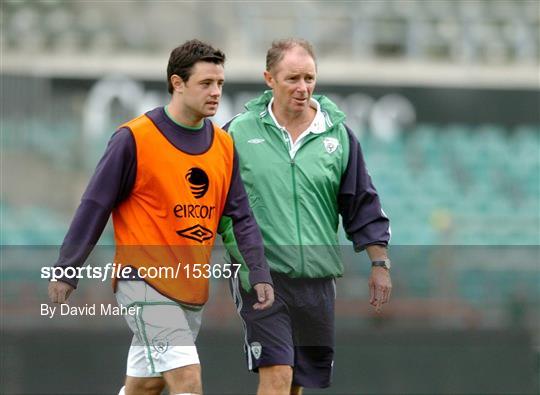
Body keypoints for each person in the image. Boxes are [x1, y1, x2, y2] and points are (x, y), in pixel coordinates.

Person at [47, 39, 274, 395]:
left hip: (189, 287)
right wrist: (67, 268)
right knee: (187, 379)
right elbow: (94, 205)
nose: (216, 92)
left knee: (145, 386)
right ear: (177, 83)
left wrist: (259, 271)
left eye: (220, 84)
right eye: (206, 84)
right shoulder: (134, 138)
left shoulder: (224, 145)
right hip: (143, 282)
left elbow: (241, 217)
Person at [220, 38, 392, 395]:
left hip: (317, 279)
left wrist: (380, 264)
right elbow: (217, 203)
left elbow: (361, 202)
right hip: (263, 276)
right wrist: (244, 255)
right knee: (278, 372)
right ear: (269, 78)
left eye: (309, 78)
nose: (303, 88)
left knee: (298, 380)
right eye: (292, 78)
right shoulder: (237, 132)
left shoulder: (338, 136)